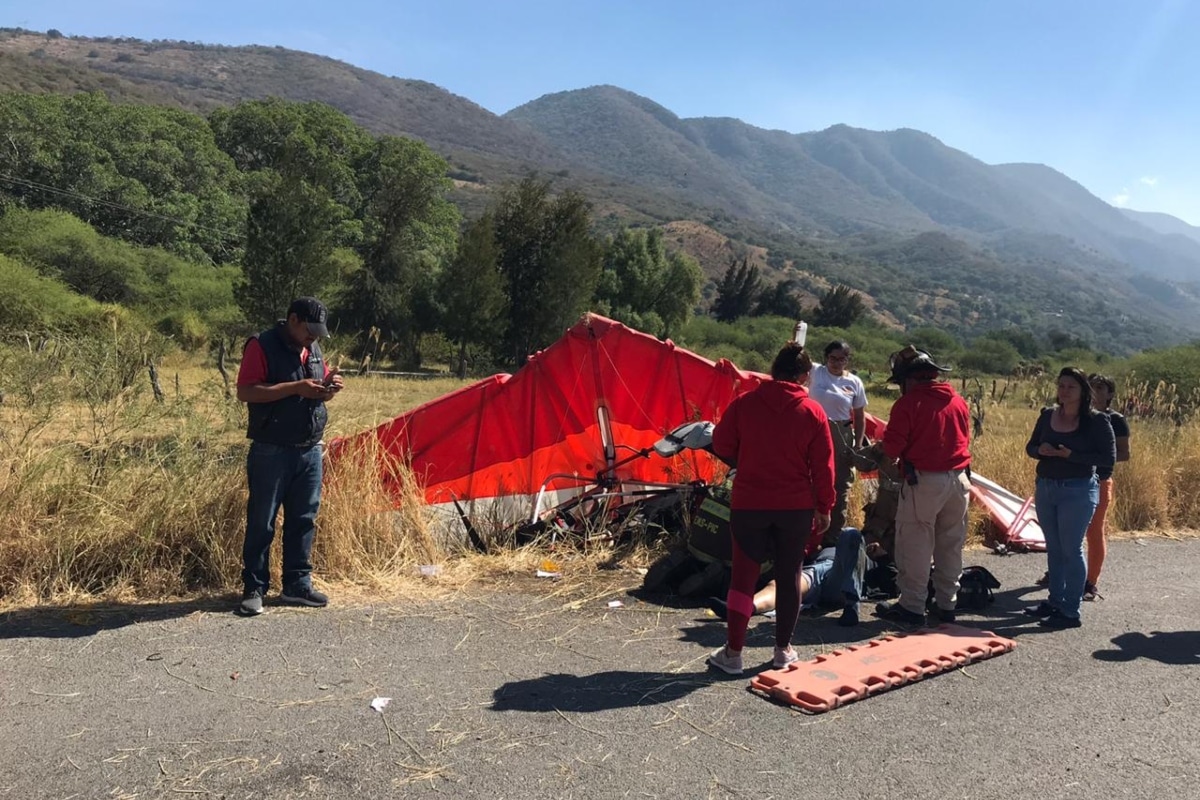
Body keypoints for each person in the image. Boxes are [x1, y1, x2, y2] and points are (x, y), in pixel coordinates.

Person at [706, 342, 836, 675]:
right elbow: (824, 467)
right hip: (795, 508)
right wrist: (825, 506)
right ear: (805, 377)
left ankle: (733, 653)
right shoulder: (813, 412)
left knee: (742, 577)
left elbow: (720, 443)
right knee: (789, 576)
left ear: (773, 371)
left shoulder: (745, 404)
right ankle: (783, 650)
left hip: (750, 503)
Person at [234, 297, 345, 617]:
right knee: (262, 521)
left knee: (303, 519)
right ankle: (254, 587)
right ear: (292, 319)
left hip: (310, 448)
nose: (314, 337)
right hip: (271, 449)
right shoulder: (262, 345)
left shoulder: (312, 347)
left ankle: (297, 585)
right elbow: (246, 391)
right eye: (310, 329)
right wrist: (296, 387)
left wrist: (329, 387)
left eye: (319, 332)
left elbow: (314, 383)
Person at [874, 346, 972, 629]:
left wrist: (881, 450)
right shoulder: (958, 401)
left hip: (924, 481)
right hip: (960, 480)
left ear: (909, 379)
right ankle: (946, 604)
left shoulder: (908, 404)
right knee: (950, 546)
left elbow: (893, 447)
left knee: (915, 545)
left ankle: (913, 606)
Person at [1023, 368, 1115, 628]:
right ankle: (1055, 601)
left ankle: (1070, 610)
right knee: (1054, 546)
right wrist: (1039, 450)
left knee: (1071, 549)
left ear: (1082, 391)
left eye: (1070, 387)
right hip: (1046, 487)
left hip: (1077, 490)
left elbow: (1107, 459)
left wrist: (1071, 455)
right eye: (1061, 385)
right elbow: (1030, 446)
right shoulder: (1048, 415)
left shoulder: (1096, 421)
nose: (1064, 391)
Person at [707, 527, 868, 627]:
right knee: (781, 584)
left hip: (841, 579)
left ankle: (851, 603)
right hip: (817, 568)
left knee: (851, 533)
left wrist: (879, 556)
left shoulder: (867, 551)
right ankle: (741, 611)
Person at [808, 341, 869, 547]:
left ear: (847, 360)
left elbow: (860, 417)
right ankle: (806, 535)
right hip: (813, 429)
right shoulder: (816, 372)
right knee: (809, 479)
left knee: (839, 483)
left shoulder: (854, 382)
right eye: (833, 358)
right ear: (826, 357)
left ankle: (831, 539)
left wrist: (858, 445)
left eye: (841, 359)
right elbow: (796, 355)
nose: (836, 363)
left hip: (841, 435)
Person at [1082, 374, 1130, 601]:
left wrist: (1094, 457)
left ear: (1110, 393)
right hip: (1075, 478)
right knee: (1067, 532)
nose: (1094, 391)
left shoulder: (1116, 419)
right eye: (1090, 387)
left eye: (1100, 388)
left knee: (1094, 531)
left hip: (1100, 480)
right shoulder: (1079, 415)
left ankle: (1091, 582)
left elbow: (1123, 453)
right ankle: (1060, 573)